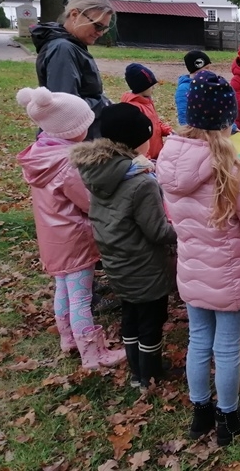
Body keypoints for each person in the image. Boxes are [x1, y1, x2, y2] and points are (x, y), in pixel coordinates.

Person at [158, 70, 240, 446]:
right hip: (230, 276)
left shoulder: (169, 161)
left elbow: (175, 217)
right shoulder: (233, 170)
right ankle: (228, 417)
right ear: (228, 120)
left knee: (197, 340)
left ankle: (199, 413)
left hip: (192, 272)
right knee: (225, 347)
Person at [15, 87, 125, 370]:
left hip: (53, 238)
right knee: (81, 297)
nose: (88, 129)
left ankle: (68, 337)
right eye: (84, 125)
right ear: (70, 130)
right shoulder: (67, 165)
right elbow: (89, 202)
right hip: (74, 238)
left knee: (63, 290)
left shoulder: (42, 155)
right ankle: (92, 353)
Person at [70, 103, 178, 388]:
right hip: (144, 265)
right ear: (137, 141)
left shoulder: (99, 171)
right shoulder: (141, 183)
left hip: (117, 261)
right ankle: (150, 374)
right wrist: (183, 231)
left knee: (130, 314)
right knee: (151, 320)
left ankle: (135, 371)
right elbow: (157, 231)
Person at [31, 0, 115, 139]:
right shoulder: (63, 49)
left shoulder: (72, 46)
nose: (100, 33)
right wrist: (104, 104)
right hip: (74, 146)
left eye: (104, 29)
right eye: (97, 26)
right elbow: (65, 110)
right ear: (75, 15)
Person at [120, 64, 172, 160]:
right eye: (151, 86)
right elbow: (138, 139)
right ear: (141, 87)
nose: (153, 88)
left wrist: (168, 130)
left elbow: (155, 122)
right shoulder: (134, 108)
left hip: (157, 154)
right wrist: (146, 160)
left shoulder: (147, 101)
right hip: (148, 159)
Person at [176, 51, 212, 126]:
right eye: (206, 68)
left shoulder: (209, 85)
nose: (209, 71)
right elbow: (183, 115)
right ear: (196, 69)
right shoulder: (184, 89)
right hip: (196, 132)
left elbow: (219, 108)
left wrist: (231, 126)